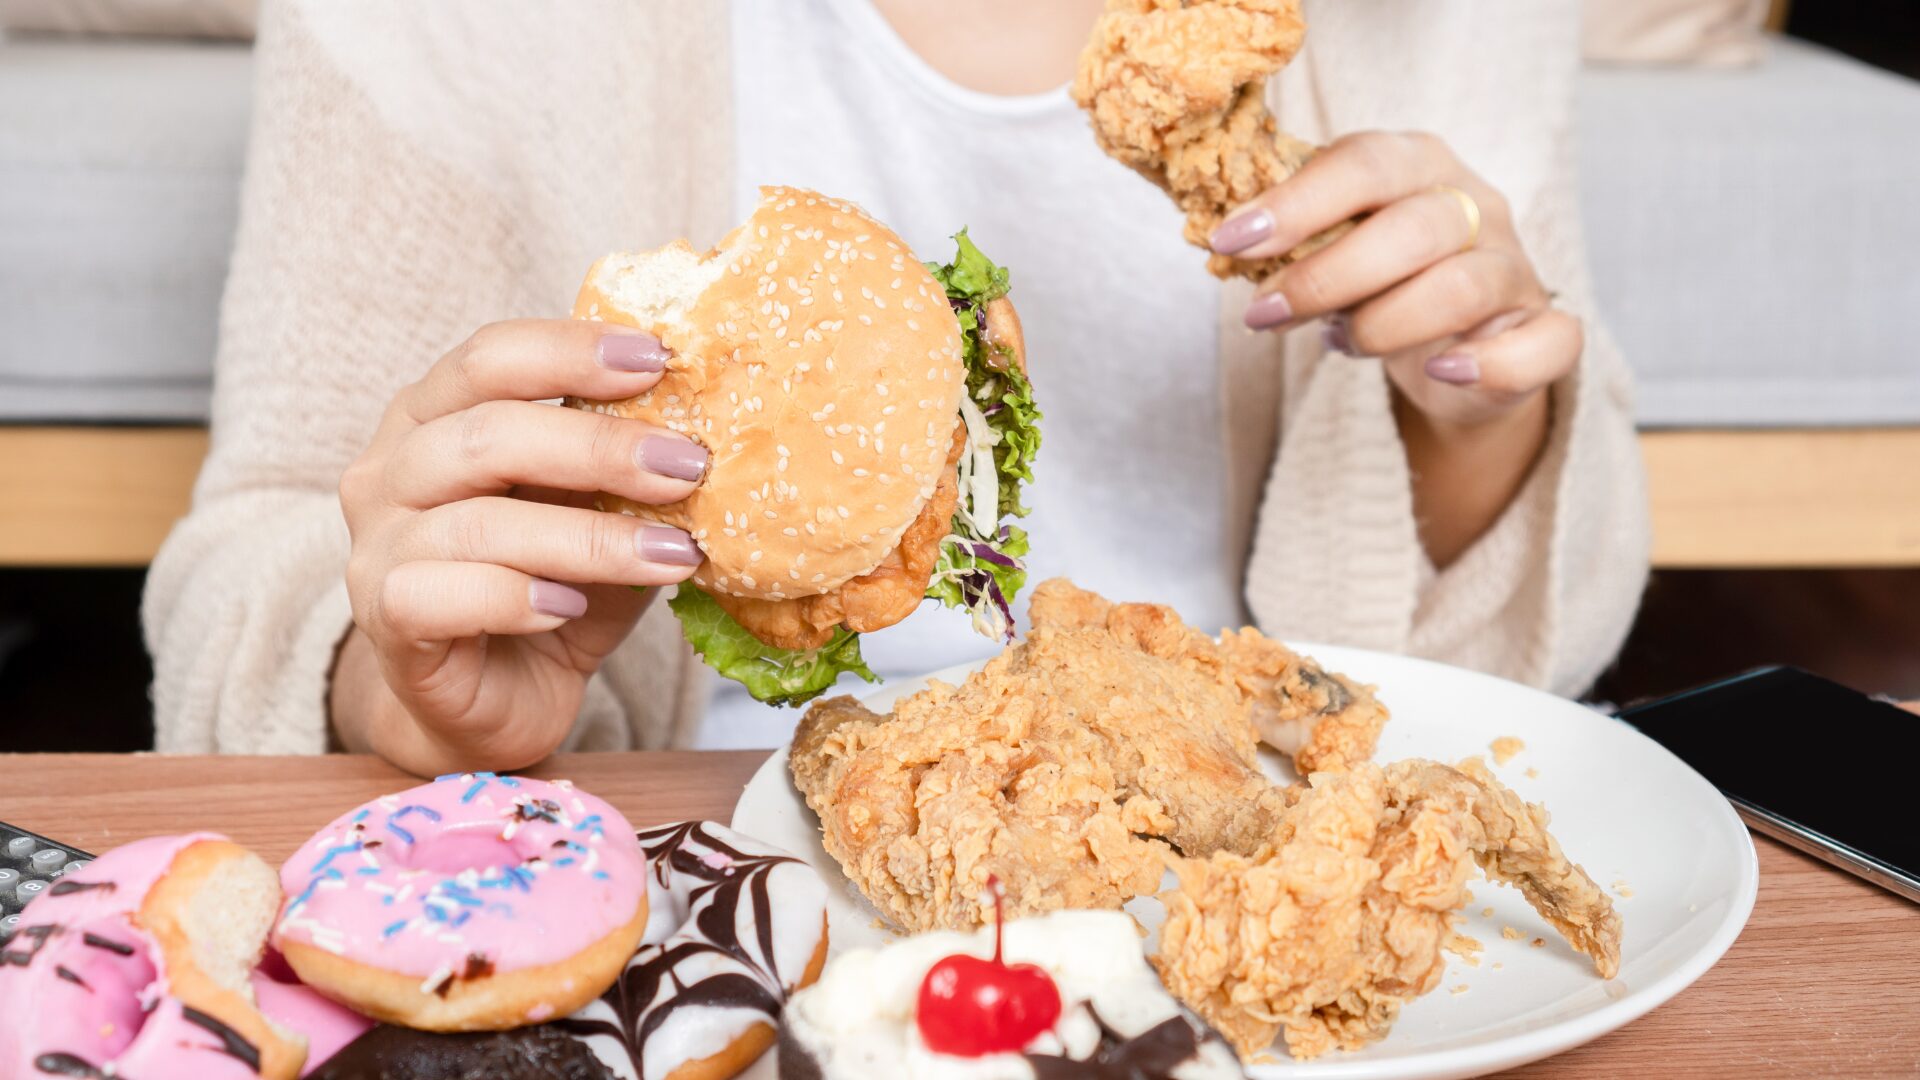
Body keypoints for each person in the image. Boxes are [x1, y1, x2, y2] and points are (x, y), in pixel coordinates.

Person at [144, 0, 1648, 774]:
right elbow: (259, 557)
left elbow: (1538, 646)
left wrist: (1473, 411)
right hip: (686, 890)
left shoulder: (1445, 16)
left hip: (1243, 854)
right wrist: (400, 685)